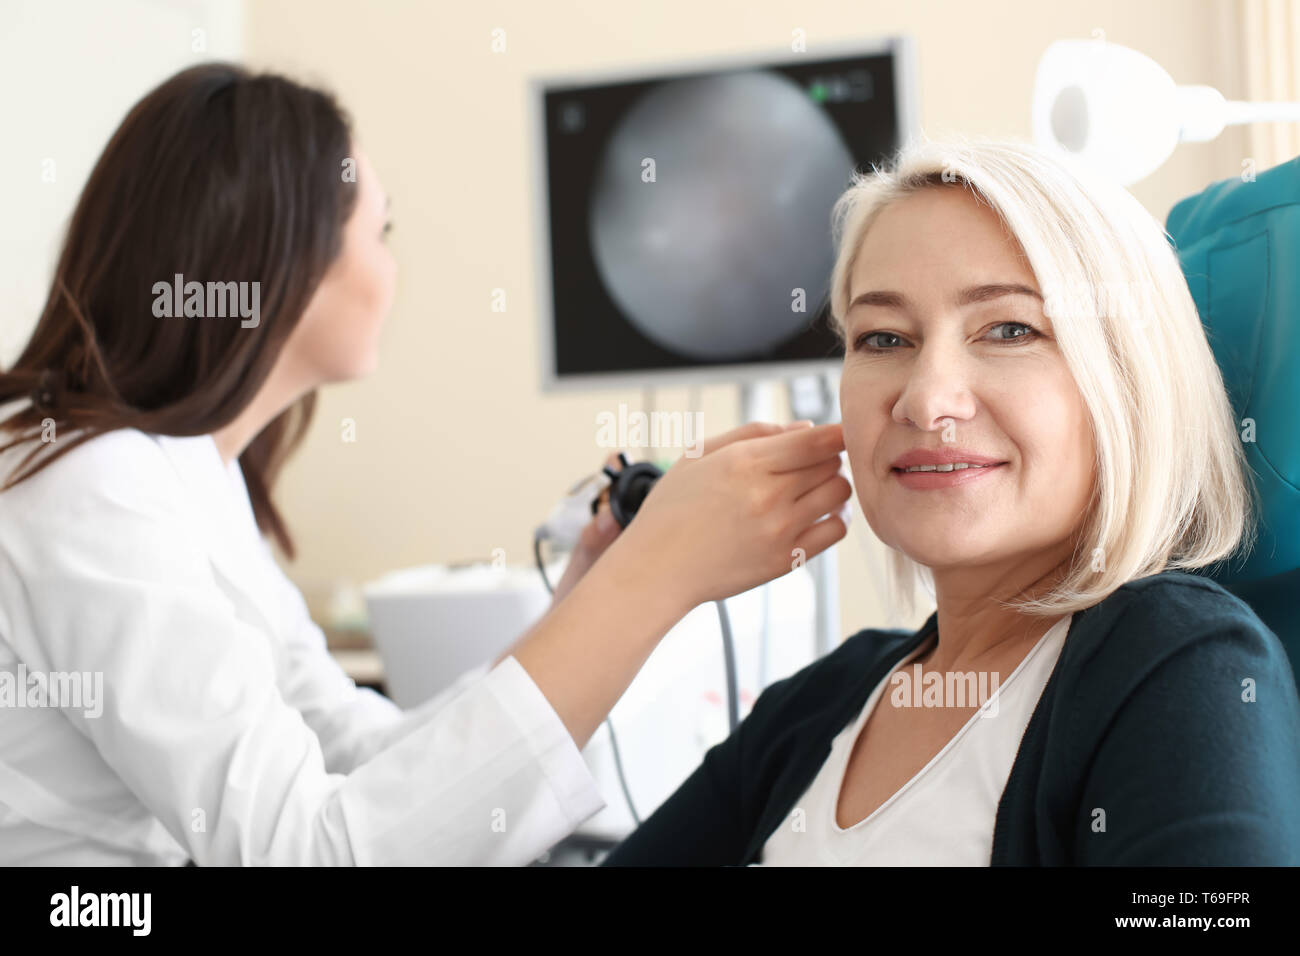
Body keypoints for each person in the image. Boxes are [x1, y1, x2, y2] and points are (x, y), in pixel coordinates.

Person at [0, 63, 852, 865]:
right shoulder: (93, 490)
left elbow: (361, 754)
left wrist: (584, 614)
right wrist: (656, 580)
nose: (392, 267)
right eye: (383, 230)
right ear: (286, 268)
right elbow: (310, 852)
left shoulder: (192, 479)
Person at [602, 137, 1300, 866]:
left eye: (1009, 329)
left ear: (1129, 385)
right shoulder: (812, 710)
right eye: (884, 337)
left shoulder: (1179, 665)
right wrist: (640, 579)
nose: (926, 398)